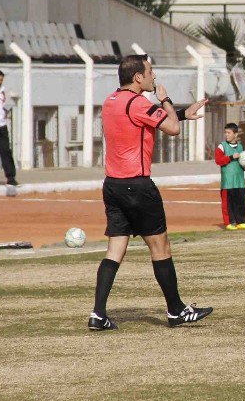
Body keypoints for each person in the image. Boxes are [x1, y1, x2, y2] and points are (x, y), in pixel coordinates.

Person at [88, 54, 211, 331]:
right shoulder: (139, 101)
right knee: (160, 246)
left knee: (115, 249)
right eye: (150, 72)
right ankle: (176, 310)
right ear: (137, 78)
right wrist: (166, 101)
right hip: (138, 186)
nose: (153, 77)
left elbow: (142, 121)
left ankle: (98, 313)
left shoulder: (110, 101)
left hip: (113, 185)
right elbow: (172, 129)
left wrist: (181, 113)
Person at [214, 122, 245, 230]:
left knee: (240, 202)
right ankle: (229, 223)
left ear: (236, 134)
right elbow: (218, 160)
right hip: (228, 182)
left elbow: (241, 162)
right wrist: (231, 157)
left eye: (229, 133)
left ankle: (241, 221)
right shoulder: (222, 146)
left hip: (240, 181)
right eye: (225, 133)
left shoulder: (240, 147)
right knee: (228, 204)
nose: (226, 135)